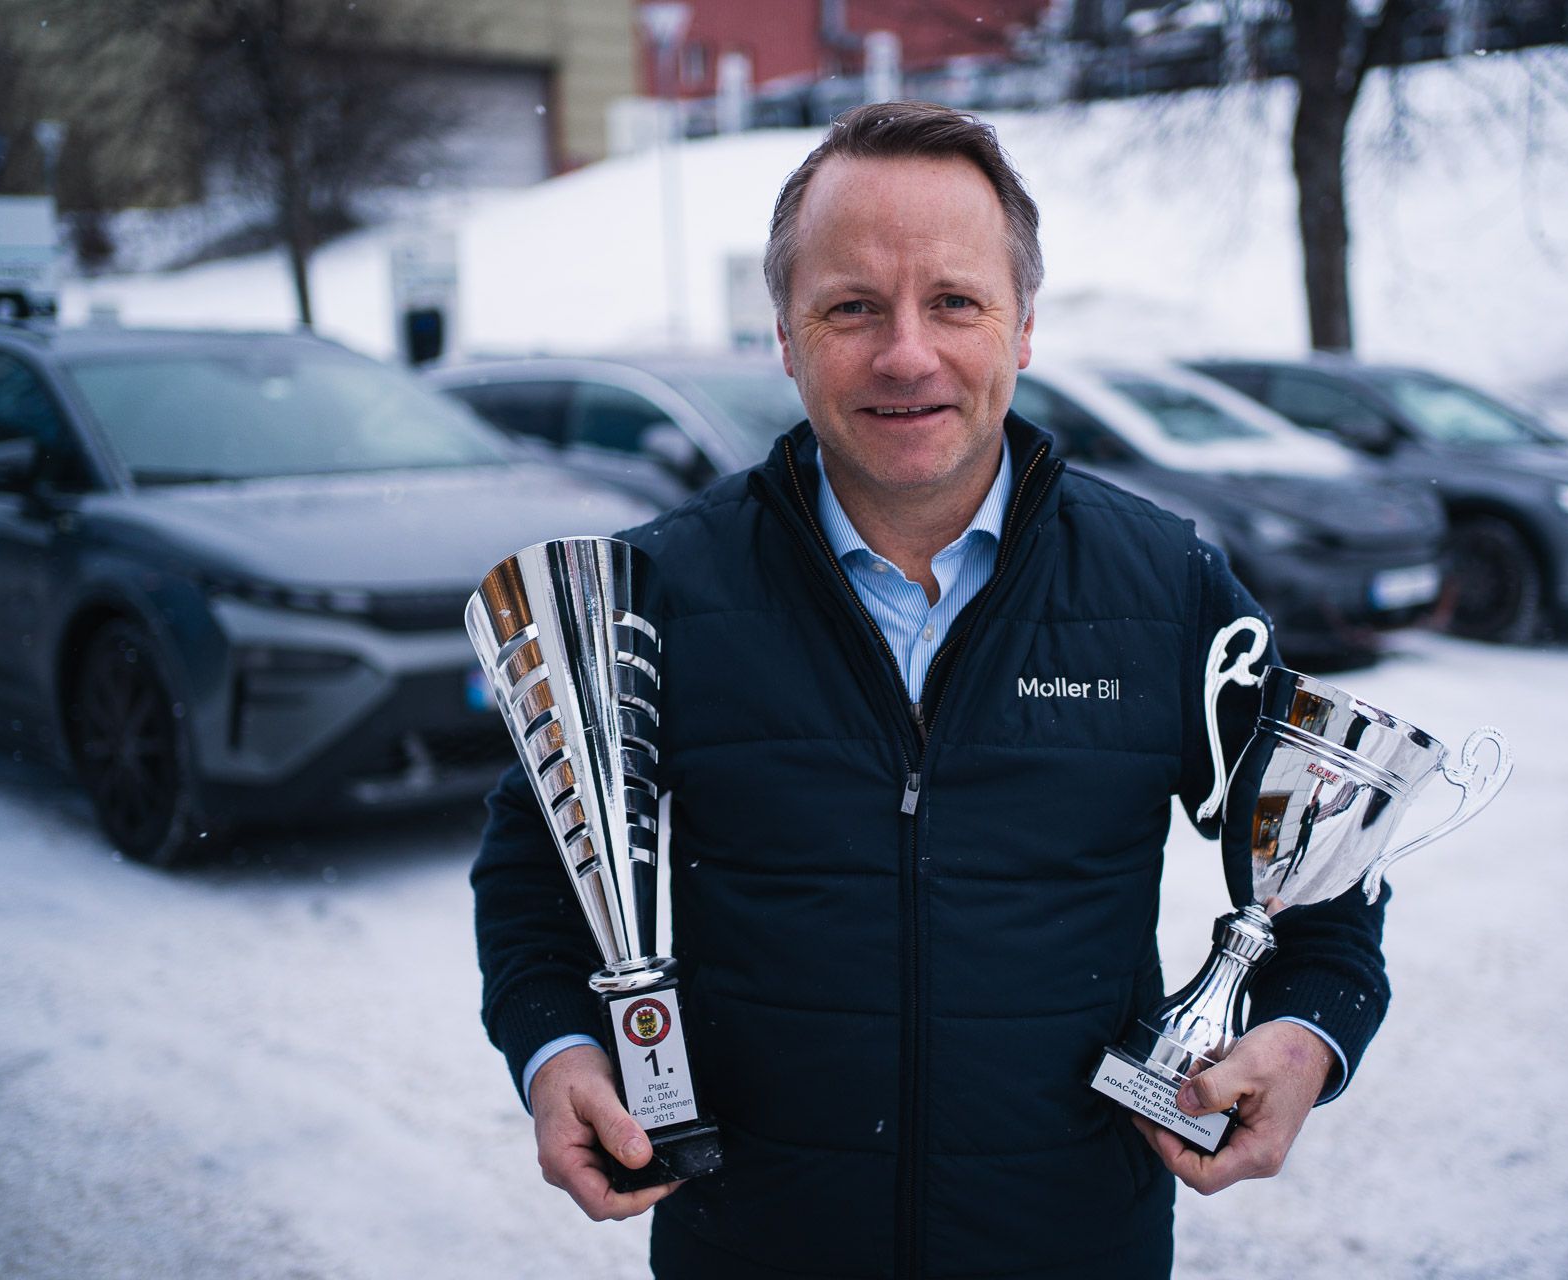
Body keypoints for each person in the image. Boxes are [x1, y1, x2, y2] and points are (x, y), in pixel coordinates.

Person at [472, 101, 1389, 1280]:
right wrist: (556, 1053)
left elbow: (1323, 852)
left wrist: (1310, 1029)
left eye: (954, 301)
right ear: (787, 339)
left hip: (1069, 1247)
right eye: (852, 306)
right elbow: (533, 875)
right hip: (757, 1247)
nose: (907, 353)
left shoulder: (1166, 587)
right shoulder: (655, 594)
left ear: (1023, 327)